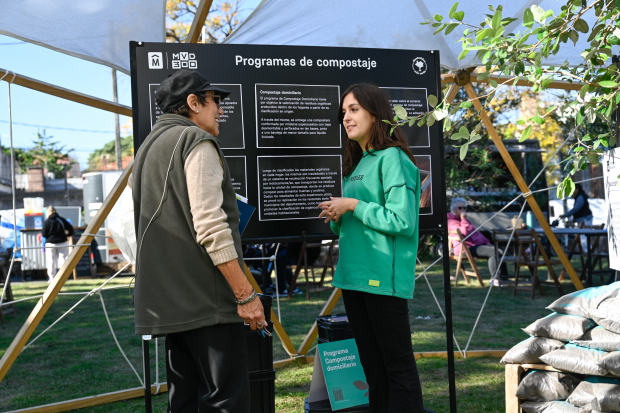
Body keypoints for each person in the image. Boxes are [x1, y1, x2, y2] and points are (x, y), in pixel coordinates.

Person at [131, 69, 266, 412]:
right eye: (215, 101)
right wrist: (245, 294)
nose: (220, 110)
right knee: (226, 401)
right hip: (210, 305)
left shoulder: (147, 149)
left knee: (185, 401)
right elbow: (210, 227)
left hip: (172, 303)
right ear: (193, 103)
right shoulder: (195, 141)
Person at [318, 83, 424, 412]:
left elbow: (402, 220)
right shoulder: (359, 162)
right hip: (353, 277)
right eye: (343, 112)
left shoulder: (393, 159)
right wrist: (338, 215)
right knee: (373, 369)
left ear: (375, 113)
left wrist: (352, 205)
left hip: (382, 278)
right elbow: (355, 221)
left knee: (397, 368)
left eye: (354, 110)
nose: (345, 118)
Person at [447, 198, 508, 283]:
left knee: (500, 251)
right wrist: (464, 219)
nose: (463, 210)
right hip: (465, 249)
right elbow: (464, 235)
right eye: (460, 208)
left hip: (474, 246)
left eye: (464, 208)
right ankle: (495, 279)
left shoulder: (462, 219)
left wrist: (487, 243)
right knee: (493, 252)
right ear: (453, 209)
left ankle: (504, 278)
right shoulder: (451, 221)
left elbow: (477, 233)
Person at [38, 206, 73, 282]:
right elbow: (70, 229)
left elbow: (44, 234)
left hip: (50, 243)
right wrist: (67, 235)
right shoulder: (61, 220)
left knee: (51, 261)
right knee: (63, 259)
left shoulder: (47, 222)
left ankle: (52, 277)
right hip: (62, 242)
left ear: (48, 212)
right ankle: (63, 277)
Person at [559, 183, 594, 251]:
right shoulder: (579, 196)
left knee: (584, 237)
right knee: (582, 237)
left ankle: (589, 253)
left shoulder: (580, 197)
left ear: (577, 190)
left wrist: (565, 215)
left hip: (586, 219)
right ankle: (587, 252)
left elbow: (575, 209)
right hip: (583, 220)